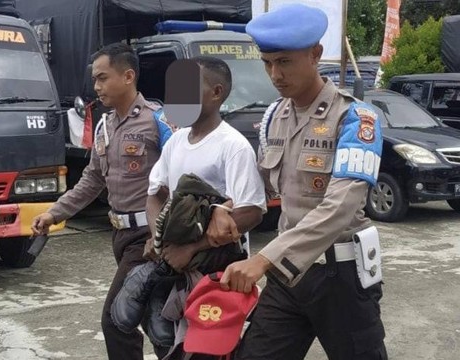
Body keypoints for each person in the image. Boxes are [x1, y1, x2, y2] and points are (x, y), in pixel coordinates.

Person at [220, 4, 388, 360]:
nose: (274, 74)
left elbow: (340, 207)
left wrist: (264, 260)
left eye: (284, 62)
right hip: (288, 278)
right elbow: (267, 185)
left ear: (315, 55)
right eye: (267, 63)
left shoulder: (356, 119)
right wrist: (226, 208)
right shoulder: (274, 117)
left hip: (340, 277)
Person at [31, 43, 173, 360]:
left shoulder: (158, 121)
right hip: (121, 237)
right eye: (95, 79)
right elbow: (93, 181)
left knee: (115, 319)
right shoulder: (104, 126)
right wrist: (54, 214)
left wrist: (161, 235)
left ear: (128, 76)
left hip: (148, 239)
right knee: (155, 319)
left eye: (102, 77)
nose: (96, 86)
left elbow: (179, 181)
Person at [144, 57, 266, 359]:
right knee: (164, 340)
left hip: (216, 273)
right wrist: (158, 239)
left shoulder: (232, 146)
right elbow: (155, 193)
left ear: (217, 92)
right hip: (174, 267)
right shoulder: (176, 142)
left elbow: (252, 211)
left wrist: (192, 248)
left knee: (207, 351)